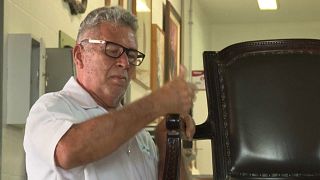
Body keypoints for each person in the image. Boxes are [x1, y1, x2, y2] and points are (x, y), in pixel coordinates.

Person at [24, 6, 196, 180]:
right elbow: (68, 151)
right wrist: (157, 103)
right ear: (79, 55)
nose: (125, 63)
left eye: (131, 55)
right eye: (112, 51)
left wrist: (168, 141)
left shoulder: (140, 136)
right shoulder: (50, 108)